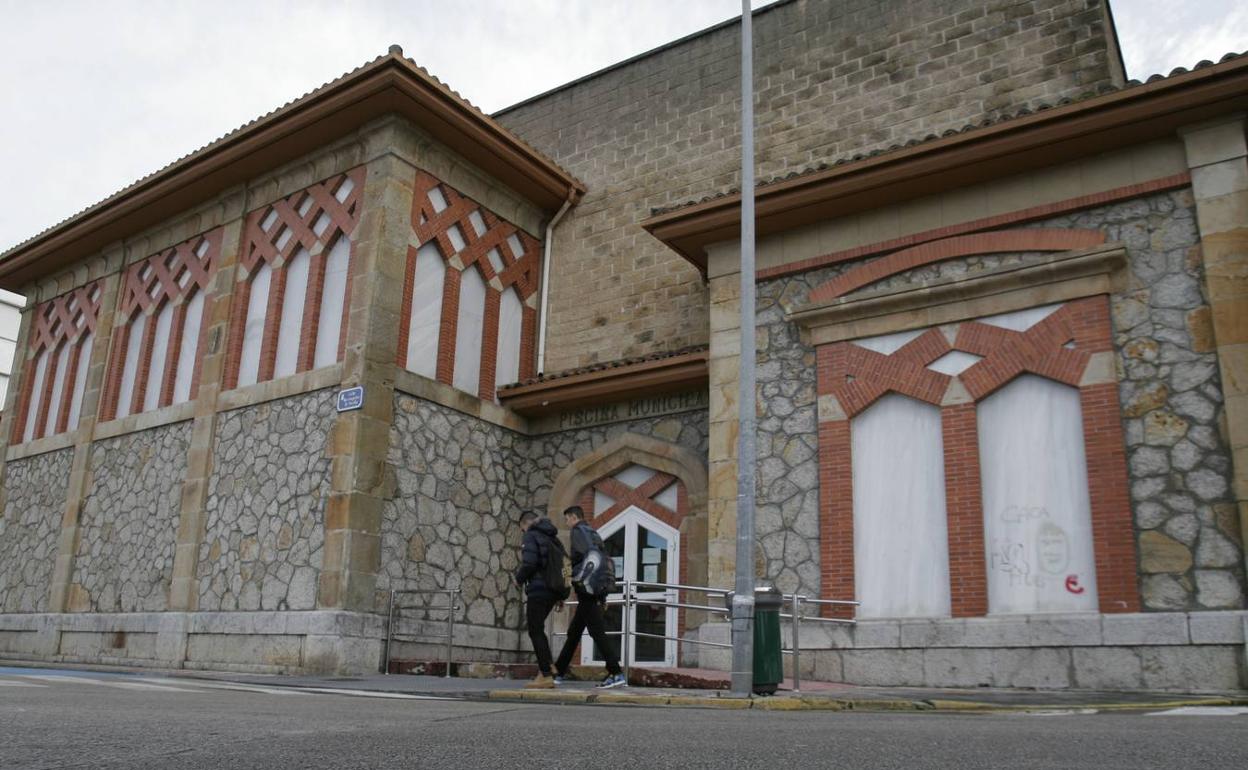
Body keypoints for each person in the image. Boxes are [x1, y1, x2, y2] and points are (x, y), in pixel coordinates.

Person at [554, 506, 626, 689]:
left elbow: (582, 558)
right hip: (594, 589)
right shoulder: (593, 533)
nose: (567, 523)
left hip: (586, 589)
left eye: (567, 519)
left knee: (596, 632)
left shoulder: (578, 531)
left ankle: (616, 673)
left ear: (572, 517)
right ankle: (559, 672)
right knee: (574, 633)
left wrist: (570, 572)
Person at [514, 510, 562, 689]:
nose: (522, 533)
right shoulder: (553, 538)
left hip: (538, 589)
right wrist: (560, 595)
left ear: (525, 524)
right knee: (538, 628)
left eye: (521, 529)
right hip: (553, 590)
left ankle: (545, 674)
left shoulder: (531, 535)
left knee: (534, 629)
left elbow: (529, 563)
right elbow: (562, 566)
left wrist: (518, 579)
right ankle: (548, 664)